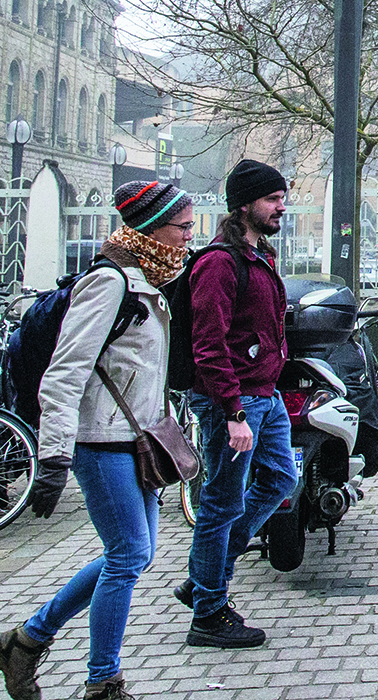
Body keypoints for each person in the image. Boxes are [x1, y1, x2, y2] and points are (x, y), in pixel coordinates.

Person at [0, 181, 193, 700]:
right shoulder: (110, 284)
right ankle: (102, 681)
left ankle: (26, 640)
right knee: (129, 553)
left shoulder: (145, 278)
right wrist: (53, 457)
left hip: (136, 441)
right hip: (98, 441)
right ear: (151, 229)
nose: (189, 238)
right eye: (183, 227)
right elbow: (64, 375)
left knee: (135, 554)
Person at [173, 159, 297, 649]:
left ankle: (206, 574)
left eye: (282, 198)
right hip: (235, 401)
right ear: (244, 204)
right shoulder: (220, 263)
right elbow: (209, 345)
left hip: (264, 396)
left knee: (283, 478)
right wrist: (232, 413)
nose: (281, 207)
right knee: (220, 506)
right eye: (272, 199)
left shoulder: (258, 256)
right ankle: (208, 613)